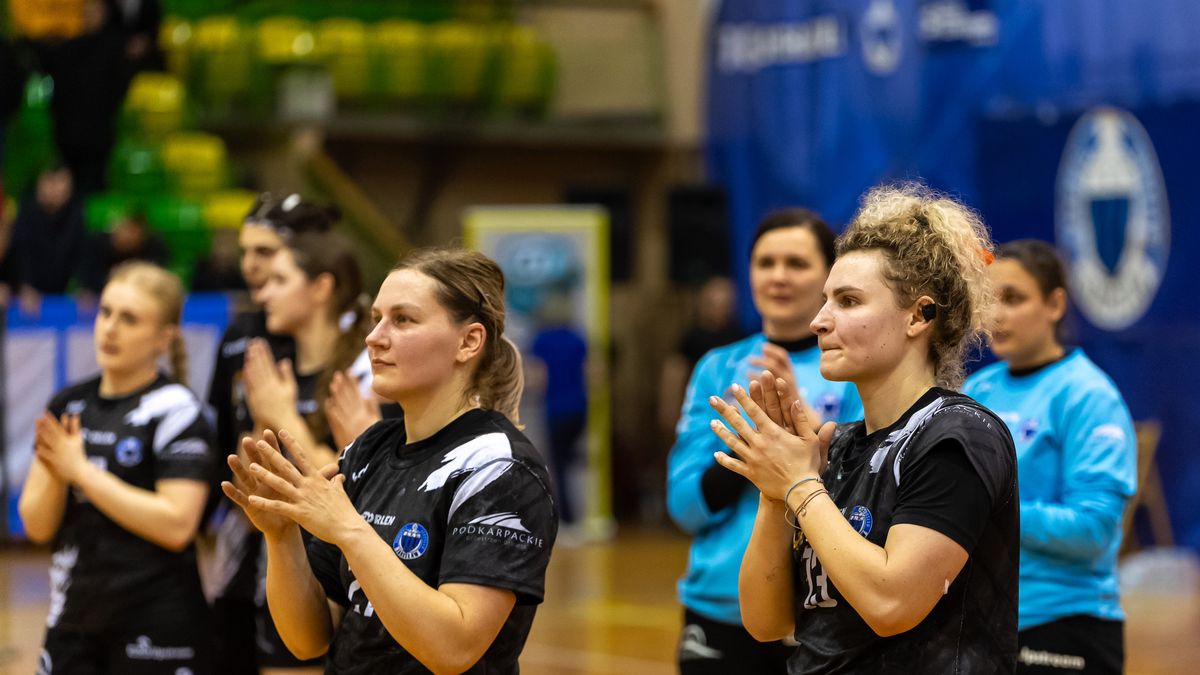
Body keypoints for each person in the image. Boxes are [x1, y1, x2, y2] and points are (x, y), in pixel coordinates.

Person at [710, 183, 1019, 672]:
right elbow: (767, 622)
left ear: (919, 315)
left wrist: (799, 484)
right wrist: (775, 492)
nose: (818, 320)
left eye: (848, 301)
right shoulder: (840, 445)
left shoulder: (959, 433)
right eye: (826, 300)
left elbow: (890, 605)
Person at [221, 248, 558, 673]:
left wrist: (348, 529)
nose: (374, 337)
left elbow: (453, 649)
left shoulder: (499, 467)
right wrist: (282, 536)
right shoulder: (369, 449)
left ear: (469, 341)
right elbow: (308, 640)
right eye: (376, 317)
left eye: (403, 320)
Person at [666, 209, 862, 674]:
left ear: (827, 276)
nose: (778, 276)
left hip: (823, 606)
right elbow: (685, 504)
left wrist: (806, 426)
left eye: (796, 263)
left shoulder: (855, 366)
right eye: (765, 262)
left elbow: (867, 493)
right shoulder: (716, 366)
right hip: (721, 604)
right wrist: (758, 437)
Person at [18, 261, 215, 674]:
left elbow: (178, 525)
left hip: (155, 623)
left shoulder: (175, 410)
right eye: (106, 312)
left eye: (129, 319)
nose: (109, 328)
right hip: (73, 618)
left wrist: (82, 472)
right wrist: (58, 473)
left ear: (165, 337)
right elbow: (36, 526)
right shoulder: (68, 404)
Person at [963, 239, 1136, 674]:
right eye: (989, 300)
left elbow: (1093, 529)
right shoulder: (978, 391)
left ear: (1055, 304)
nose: (996, 315)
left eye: (1014, 299)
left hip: (1065, 624)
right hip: (981, 621)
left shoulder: (1088, 394)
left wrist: (992, 510)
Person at [217, 229, 374, 674]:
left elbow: (355, 479)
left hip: (341, 577)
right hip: (280, 566)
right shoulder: (278, 372)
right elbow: (250, 478)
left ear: (322, 288)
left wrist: (281, 413)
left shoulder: (360, 369)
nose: (264, 292)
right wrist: (264, 421)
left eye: (280, 280)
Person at [206, 193, 335, 675]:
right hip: (248, 524)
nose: (250, 266)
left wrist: (281, 416)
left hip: (315, 533)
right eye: (245, 252)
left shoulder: (341, 339)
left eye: (266, 253)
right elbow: (220, 430)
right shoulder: (241, 333)